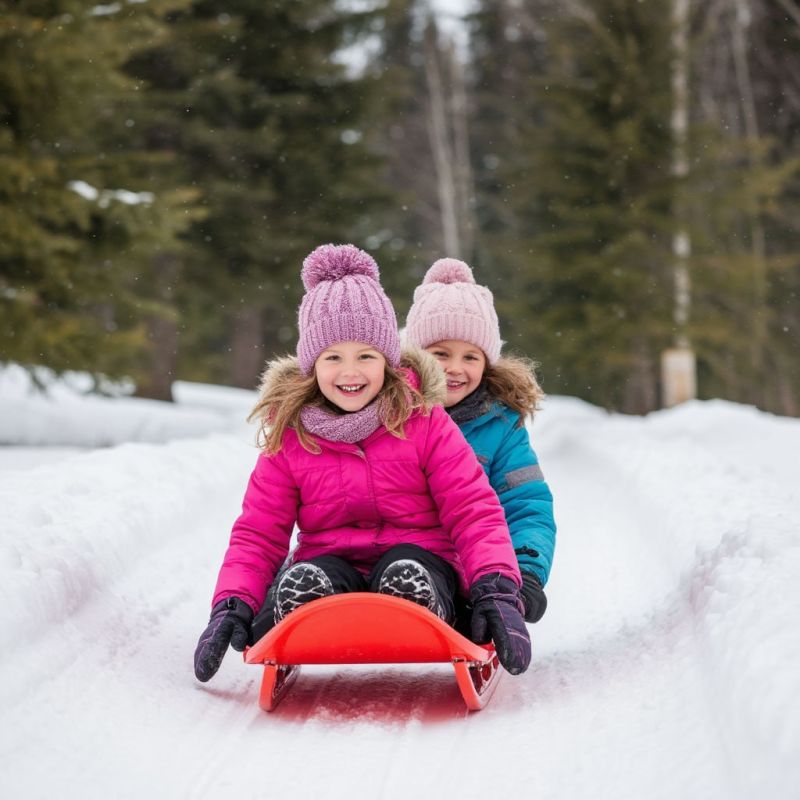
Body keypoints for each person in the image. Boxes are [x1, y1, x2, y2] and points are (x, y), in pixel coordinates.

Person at [194, 244, 531, 683]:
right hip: (332, 560)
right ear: (311, 365)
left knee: (411, 563)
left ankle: (416, 599)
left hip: (425, 559)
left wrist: (497, 589)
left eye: (366, 356)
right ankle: (311, 601)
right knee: (319, 571)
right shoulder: (291, 434)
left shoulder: (425, 421)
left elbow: (473, 509)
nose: (350, 372)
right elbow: (259, 531)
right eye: (333, 357)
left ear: (389, 361)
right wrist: (233, 604)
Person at [404, 258, 556, 625]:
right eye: (440, 353)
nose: (455, 368)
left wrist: (525, 575)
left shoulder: (499, 426)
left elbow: (526, 505)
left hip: (467, 574)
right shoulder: (386, 416)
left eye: (470, 356)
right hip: (386, 561)